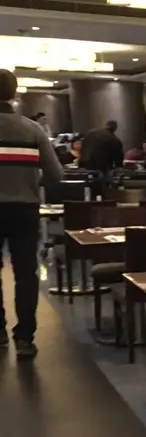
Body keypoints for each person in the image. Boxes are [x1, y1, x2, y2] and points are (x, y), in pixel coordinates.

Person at [0, 69, 63, 358]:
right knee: (26, 273)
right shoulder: (33, 129)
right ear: (14, 93)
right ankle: (25, 337)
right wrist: (32, 182)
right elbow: (56, 174)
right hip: (25, 209)